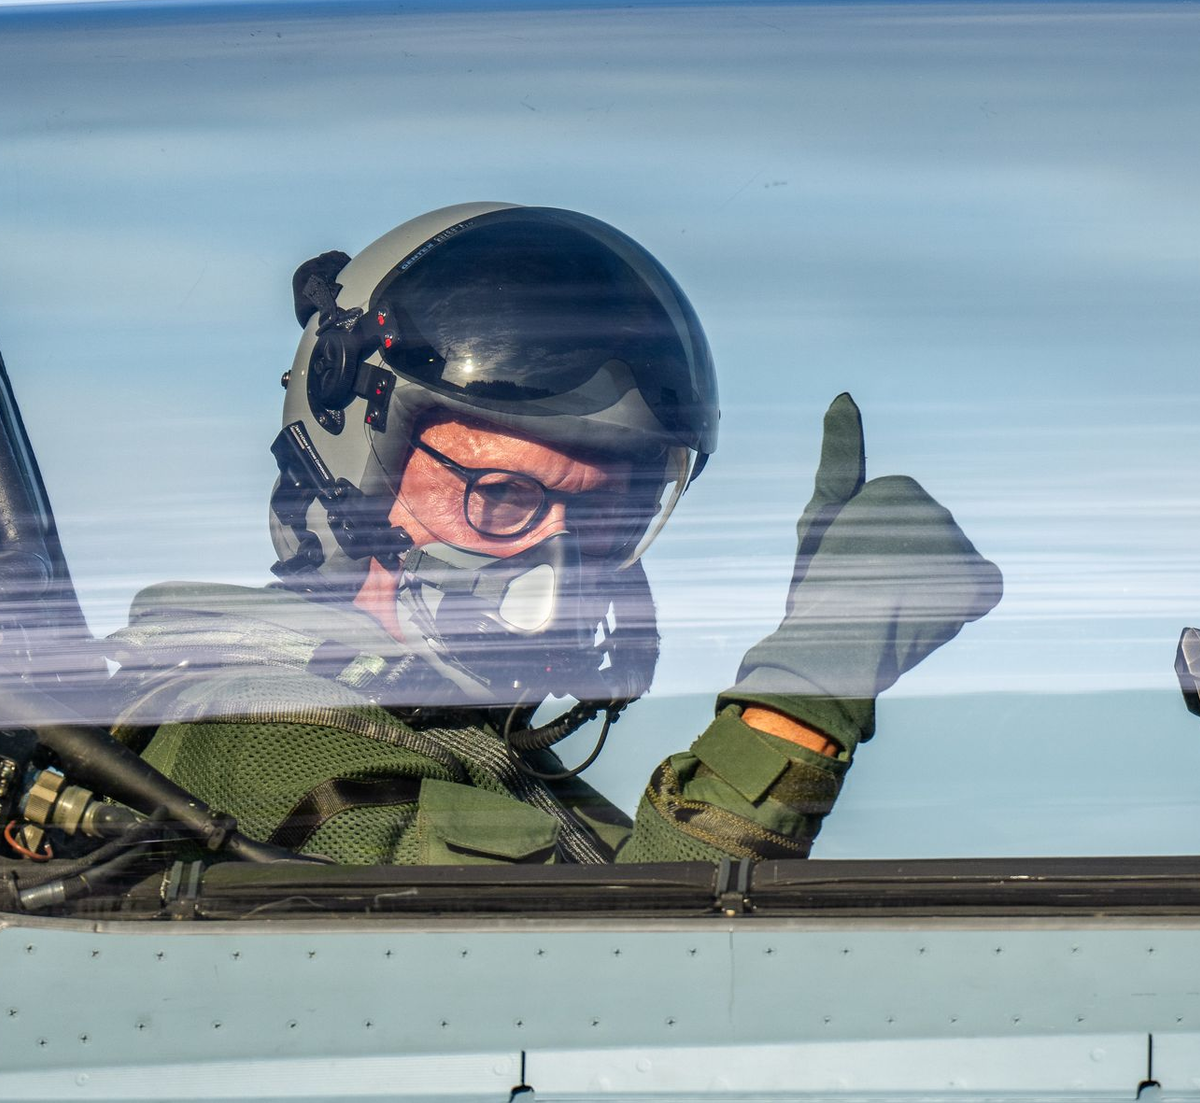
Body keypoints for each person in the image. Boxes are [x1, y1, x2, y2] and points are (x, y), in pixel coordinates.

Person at [105, 203, 1002, 865]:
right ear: (354, 471)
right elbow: (608, 988)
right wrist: (803, 694)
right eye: (502, 496)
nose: (565, 564)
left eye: (605, 515)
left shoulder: (470, 756)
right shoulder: (255, 739)